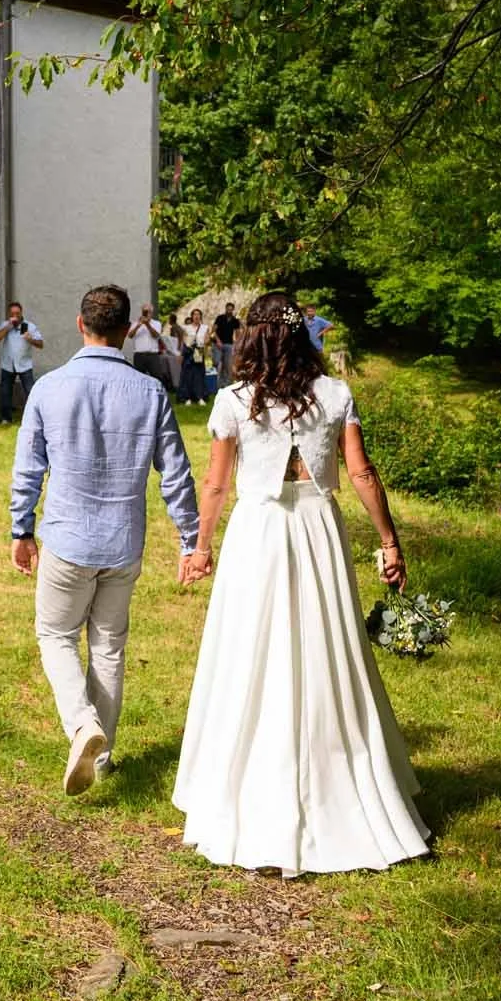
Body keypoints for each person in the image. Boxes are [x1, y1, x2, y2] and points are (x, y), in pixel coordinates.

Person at [172, 291, 429, 876]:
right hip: (318, 529)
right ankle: (336, 777)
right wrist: (389, 541)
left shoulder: (235, 400)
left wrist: (200, 547)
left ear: (253, 339)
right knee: (324, 649)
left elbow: (214, 485)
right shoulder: (334, 395)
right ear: (301, 336)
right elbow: (360, 472)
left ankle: (247, 788)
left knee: (251, 651)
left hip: (259, 532)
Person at [10, 284, 205, 795]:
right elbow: (176, 474)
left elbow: (28, 467)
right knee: (109, 649)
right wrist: (190, 539)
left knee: (55, 635)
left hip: (68, 540)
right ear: (124, 332)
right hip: (122, 542)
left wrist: (20, 528)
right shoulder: (151, 392)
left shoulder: (48, 388)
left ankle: (82, 724)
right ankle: (101, 757)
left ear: (80, 325)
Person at [0, 302, 45, 421]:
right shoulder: (5, 325)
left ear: (21, 313)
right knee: (5, 392)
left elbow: (41, 344)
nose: (15, 316)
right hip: (8, 365)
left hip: (24, 365)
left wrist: (30, 339)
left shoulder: (29, 326)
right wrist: (8, 327)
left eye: (17, 313)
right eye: (12, 314)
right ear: (9, 314)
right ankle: (6, 418)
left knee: (30, 392)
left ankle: (33, 418)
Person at [125, 303, 174, 392]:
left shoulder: (156, 323)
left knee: (157, 377)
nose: (147, 313)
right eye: (145, 311)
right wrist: (139, 325)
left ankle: (159, 395)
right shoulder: (135, 323)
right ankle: (140, 395)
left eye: (149, 311)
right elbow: (130, 336)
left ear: (152, 312)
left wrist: (147, 324)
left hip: (152, 355)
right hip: (139, 355)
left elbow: (156, 336)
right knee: (139, 377)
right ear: (142, 312)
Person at [178, 307, 210, 405]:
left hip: (198, 350)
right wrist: (181, 353)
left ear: (200, 316)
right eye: (194, 314)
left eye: (198, 314)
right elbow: (183, 340)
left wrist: (203, 343)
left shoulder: (205, 327)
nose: (196, 316)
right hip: (188, 351)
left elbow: (207, 339)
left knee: (199, 374)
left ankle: (200, 397)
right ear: (191, 316)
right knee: (187, 374)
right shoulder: (186, 327)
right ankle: (187, 397)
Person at [212, 302, 241, 378]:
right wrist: (218, 341)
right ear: (225, 309)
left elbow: (237, 333)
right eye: (228, 309)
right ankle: (215, 380)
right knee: (216, 362)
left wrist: (236, 344)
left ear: (233, 310)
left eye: (231, 310)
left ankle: (225, 383)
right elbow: (213, 330)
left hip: (229, 344)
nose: (229, 311)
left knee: (227, 364)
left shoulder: (235, 320)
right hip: (217, 343)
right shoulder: (220, 318)